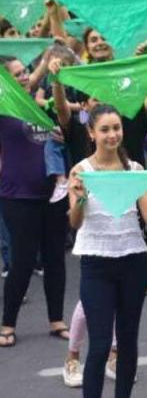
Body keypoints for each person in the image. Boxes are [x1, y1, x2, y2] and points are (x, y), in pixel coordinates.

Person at [67, 104, 147, 398]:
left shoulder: (134, 169)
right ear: (91, 133)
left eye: (116, 128)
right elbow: (75, 222)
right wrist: (81, 199)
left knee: (127, 342)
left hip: (133, 262)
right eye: (105, 130)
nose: (112, 135)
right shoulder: (81, 171)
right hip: (96, 265)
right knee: (99, 345)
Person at [0, 56, 68, 349]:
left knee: (55, 259)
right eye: (17, 74)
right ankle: (7, 323)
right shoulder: (4, 109)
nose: (25, 77)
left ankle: (56, 320)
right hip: (18, 196)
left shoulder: (42, 105)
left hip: (53, 194)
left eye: (25, 71)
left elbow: (64, 123)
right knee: (23, 261)